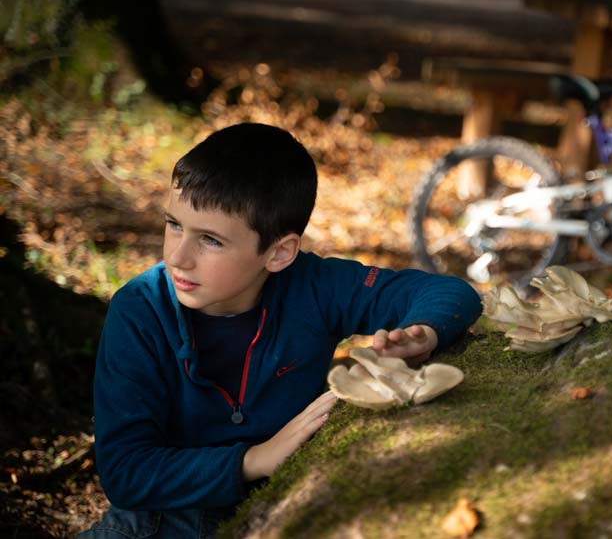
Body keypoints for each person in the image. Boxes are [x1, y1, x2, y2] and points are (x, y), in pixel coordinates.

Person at [79, 123, 483, 538]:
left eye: (211, 241)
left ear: (279, 253)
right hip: (153, 524)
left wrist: (423, 333)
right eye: (174, 225)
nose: (178, 257)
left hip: (281, 514)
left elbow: (447, 291)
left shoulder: (314, 287)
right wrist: (254, 459)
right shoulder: (140, 309)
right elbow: (125, 472)